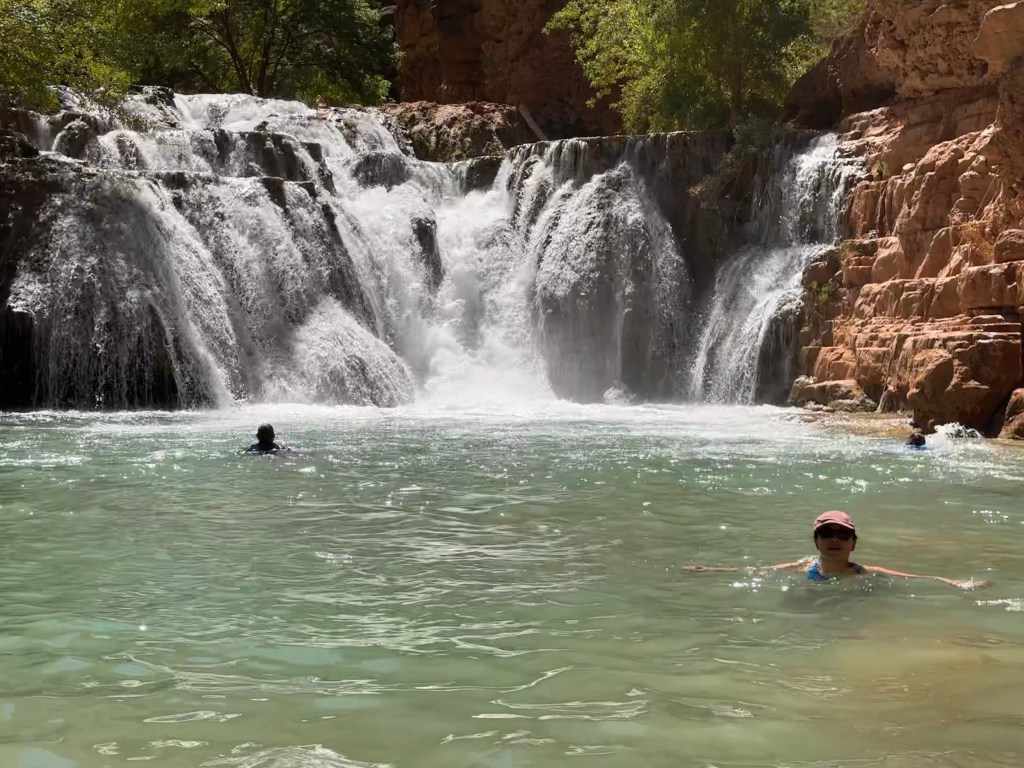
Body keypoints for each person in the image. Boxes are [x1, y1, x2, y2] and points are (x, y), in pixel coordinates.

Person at [683, 510, 987, 590]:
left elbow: (915, 578)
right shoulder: (804, 566)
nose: (834, 540)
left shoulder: (864, 573)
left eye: (842, 535)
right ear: (816, 542)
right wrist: (710, 570)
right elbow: (756, 571)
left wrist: (955, 582)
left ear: (853, 543)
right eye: (826, 534)